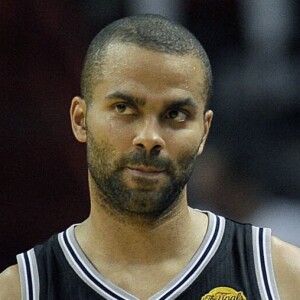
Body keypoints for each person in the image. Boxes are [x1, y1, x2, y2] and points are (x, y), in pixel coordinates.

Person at [0, 14, 299, 300]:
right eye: (123, 108)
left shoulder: (282, 277)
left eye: (175, 114)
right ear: (80, 120)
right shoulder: (20, 290)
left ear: (204, 132)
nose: (149, 137)